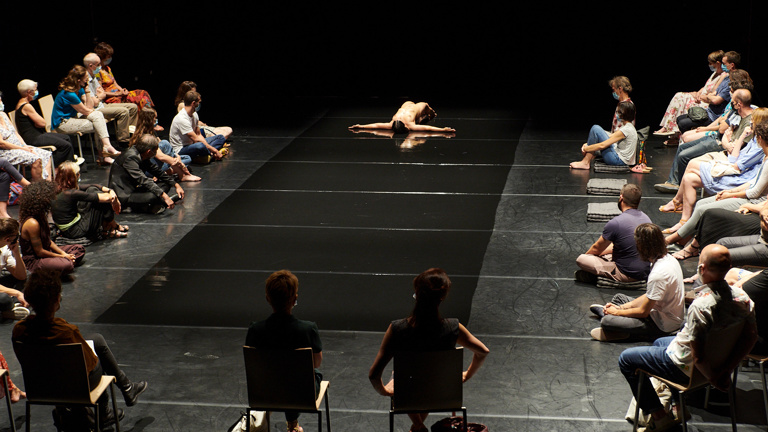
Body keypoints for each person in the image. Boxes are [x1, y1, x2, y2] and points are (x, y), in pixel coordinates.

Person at [618, 244, 756, 431]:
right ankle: (677, 405)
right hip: (717, 361)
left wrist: (715, 377)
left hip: (687, 367)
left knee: (626, 359)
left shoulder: (702, 306)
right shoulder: (743, 298)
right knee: (660, 342)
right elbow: (750, 338)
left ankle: (659, 416)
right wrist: (727, 369)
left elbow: (698, 356)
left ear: (701, 269)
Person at [12, 269, 147, 429]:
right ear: (57, 300)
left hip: (40, 388)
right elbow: (90, 365)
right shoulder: (67, 332)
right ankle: (106, 411)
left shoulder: (19, 330)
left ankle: (125, 389)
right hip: (75, 389)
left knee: (96, 339)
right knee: (98, 358)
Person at [368, 268, 489, 432]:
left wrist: (385, 391)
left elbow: (374, 375)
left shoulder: (397, 329)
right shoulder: (453, 328)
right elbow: (483, 351)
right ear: (442, 297)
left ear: (417, 294)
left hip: (407, 397)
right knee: (429, 379)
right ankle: (416, 427)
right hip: (443, 393)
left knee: (409, 379)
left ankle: (417, 426)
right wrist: (467, 374)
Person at [664, 120, 768, 258]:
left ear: (760, 138)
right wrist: (731, 191)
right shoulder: (765, 156)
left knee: (703, 209)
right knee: (701, 203)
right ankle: (683, 240)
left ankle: (672, 239)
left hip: (755, 201)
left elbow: (755, 192)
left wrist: (730, 195)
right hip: (749, 193)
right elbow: (753, 182)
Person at [659, 102, 760, 235]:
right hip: (734, 167)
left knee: (692, 164)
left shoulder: (760, 147)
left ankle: (677, 203)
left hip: (739, 178)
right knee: (689, 178)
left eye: (752, 121)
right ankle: (683, 222)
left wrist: (732, 143)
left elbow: (736, 164)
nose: (749, 123)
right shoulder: (754, 140)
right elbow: (733, 159)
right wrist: (740, 137)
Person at [245, 270, 321, 432]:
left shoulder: (255, 330)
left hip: (264, 394)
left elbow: (254, 365)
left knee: (280, 376)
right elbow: (316, 362)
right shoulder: (308, 329)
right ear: (295, 299)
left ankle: (292, 423)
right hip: (302, 396)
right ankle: (293, 424)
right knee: (307, 375)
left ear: (268, 299)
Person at [589, 224, 684, 342]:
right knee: (619, 298)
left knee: (607, 321)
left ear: (643, 247)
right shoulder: (668, 259)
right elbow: (650, 295)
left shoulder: (658, 274)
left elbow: (643, 312)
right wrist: (621, 307)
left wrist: (617, 312)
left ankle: (625, 331)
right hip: (656, 311)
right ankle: (615, 320)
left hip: (662, 325)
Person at [655, 87, 755, 194]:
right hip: (720, 138)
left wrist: (727, 138)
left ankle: (682, 187)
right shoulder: (736, 112)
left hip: (721, 145)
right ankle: (673, 182)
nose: (731, 104)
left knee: (684, 156)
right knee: (682, 147)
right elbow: (723, 130)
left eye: (733, 102)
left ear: (739, 104)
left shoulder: (750, 120)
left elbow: (734, 146)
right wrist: (726, 136)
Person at [575, 184, 651, 283]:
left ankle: (606, 277)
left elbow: (596, 248)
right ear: (639, 201)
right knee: (607, 254)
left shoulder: (616, 223)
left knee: (581, 259)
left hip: (627, 274)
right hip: (646, 271)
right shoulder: (646, 219)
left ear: (621, 197)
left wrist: (590, 257)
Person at [51, 66, 121, 164]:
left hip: (73, 118)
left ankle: (105, 149)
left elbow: (89, 106)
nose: (87, 79)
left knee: (98, 117)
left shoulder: (79, 89)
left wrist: (87, 91)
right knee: (99, 123)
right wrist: (92, 110)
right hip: (63, 123)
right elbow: (86, 111)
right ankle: (104, 154)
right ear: (78, 80)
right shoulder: (69, 94)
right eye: (85, 78)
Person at [19, 181, 85, 276]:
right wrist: (63, 256)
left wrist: (63, 254)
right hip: (35, 261)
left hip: (47, 252)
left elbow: (48, 241)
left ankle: (62, 262)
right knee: (67, 265)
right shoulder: (32, 223)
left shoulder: (41, 215)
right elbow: (39, 252)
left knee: (79, 249)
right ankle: (65, 263)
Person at [655, 50, 728, 135]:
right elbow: (705, 87)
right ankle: (667, 127)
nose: (709, 65)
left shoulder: (723, 76)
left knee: (685, 101)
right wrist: (697, 93)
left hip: (706, 102)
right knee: (679, 95)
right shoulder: (714, 74)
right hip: (701, 97)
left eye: (711, 63)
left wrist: (700, 96)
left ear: (718, 63)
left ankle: (675, 132)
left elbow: (713, 92)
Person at [109, 134, 185, 214]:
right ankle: (150, 206)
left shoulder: (142, 154)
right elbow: (143, 180)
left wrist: (176, 184)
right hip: (125, 195)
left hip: (136, 189)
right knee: (152, 196)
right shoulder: (130, 158)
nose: (155, 153)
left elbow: (157, 171)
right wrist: (165, 196)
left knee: (165, 184)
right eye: (155, 151)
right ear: (148, 151)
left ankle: (154, 205)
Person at [52, 161, 127, 241]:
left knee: (92, 189)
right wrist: (114, 199)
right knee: (99, 200)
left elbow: (92, 186)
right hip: (75, 231)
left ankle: (110, 225)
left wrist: (110, 191)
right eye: (77, 174)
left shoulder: (61, 188)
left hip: (69, 229)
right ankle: (110, 227)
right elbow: (107, 198)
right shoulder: (71, 193)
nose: (79, 175)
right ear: (73, 177)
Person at [14, 79, 78, 167]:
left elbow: (38, 123)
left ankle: (68, 167)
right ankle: (55, 167)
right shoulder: (26, 106)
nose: (36, 92)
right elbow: (42, 123)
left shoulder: (22, 104)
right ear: (29, 92)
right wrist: (38, 123)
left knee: (66, 138)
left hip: (37, 134)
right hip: (33, 138)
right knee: (66, 146)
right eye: (35, 90)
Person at [674, 51, 739, 134]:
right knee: (679, 119)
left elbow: (716, 100)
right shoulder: (725, 77)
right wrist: (711, 96)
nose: (722, 66)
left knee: (683, 123)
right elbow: (713, 93)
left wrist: (711, 96)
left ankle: (692, 137)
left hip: (715, 116)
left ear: (731, 65)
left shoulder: (731, 81)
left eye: (724, 63)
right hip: (709, 111)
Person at [131, 107, 200, 182]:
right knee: (165, 143)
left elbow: (162, 149)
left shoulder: (152, 132)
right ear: (149, 120)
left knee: (187, 158)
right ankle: (181, 175)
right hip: (148, 169)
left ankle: (165, 172)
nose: (156, 120)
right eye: (155, 118)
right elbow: (160, 156)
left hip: (157, 163)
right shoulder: (143, 136)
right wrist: (177, 162)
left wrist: (176, 156)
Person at [83, 53, 138, 146]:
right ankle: (124, 141)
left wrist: (99, 96)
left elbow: (103, 93)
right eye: (98, 64)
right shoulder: (85, 79)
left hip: (101, 104)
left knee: (133, 107)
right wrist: (99, 96)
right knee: (123, 111)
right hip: (95, 109)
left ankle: (132, 135)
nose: (100, 66)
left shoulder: (94, 76)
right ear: (91, 66)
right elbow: (94, 103)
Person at [0, 92, 53, 181]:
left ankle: (47, 187)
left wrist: (24, 145)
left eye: (0, 99)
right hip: (6, 152)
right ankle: (38, 190)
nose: (1, 102)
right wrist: (22, 149)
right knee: (36, 158)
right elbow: (2, 144)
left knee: (46, 154)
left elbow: (15, 133)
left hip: (19, 147)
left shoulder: (3, 115)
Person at [569, 101, 637, 170]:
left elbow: (603, 145)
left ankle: (585, 162)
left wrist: (586, 148)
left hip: (618, 161)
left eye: (618, 112)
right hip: (620, 157)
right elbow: (611, 137)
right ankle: (589, 157)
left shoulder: (626, 129)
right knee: (598, 131)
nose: (616, 114)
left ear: (622, 114)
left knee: (595, 128)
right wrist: (588, 144)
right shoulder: (628, 126)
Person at [169, 91, 227, 163]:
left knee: (220, 137)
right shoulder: (182, 118)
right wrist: (214, 150)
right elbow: (196, 139)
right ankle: (211, 154)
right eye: (198, 102)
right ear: (193, 103)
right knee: (200, 146)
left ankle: (206, 155)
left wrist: (209, 147)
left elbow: (198, 134)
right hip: (181, 149)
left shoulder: (194, 114)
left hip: (192, 144)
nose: (199, 104)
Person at [93, 42, 154, 110]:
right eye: (108, 56)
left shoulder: (108, 68)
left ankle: (149, 116)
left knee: (143, 93)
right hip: (112, 98)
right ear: (102, 57)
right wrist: (118, 94)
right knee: (133, 101)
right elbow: (101, 92)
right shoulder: (97, 72)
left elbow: (115, 84)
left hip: (119, 94)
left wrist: (123, 91)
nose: (110, 58)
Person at [348, 101, 455, 134]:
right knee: (421, 118)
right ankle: (423, 117)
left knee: (430, 112)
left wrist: (361, 126)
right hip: (407, 105)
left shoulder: (407, 125)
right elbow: (376, 125)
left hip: (417, 107)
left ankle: (431, 114)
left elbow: (376, 126)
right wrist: (360, 126)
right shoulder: (393, 123)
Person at [0, 218, 29, 321]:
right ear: (7, 239)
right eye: (16, 236)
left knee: (29, 278)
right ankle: (4, 314)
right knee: (4, 299)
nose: (17, 239)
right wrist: (16, 293)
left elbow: (21, 275)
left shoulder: (4, 249)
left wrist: (16, 253)